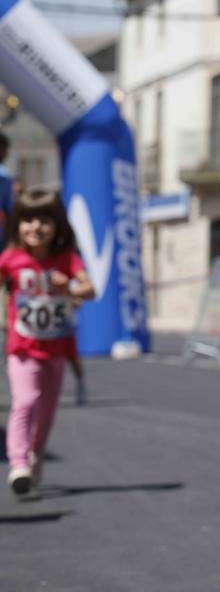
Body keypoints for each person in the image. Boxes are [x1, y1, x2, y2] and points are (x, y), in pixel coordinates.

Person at [2, 189, 94, 496]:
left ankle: (35, 454)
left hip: (55, 350)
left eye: (43, 220)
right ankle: (18, 462)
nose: (35, 228)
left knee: (46, 413)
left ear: (57, 226)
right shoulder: (12, 258)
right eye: (27, 220)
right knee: (25, 401)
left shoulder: (68, 259)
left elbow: (90, 290)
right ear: (18, 225)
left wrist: (68, 285)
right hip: (22, 347)